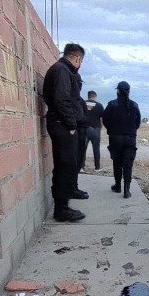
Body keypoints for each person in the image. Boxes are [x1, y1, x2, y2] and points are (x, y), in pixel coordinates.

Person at [41, 43, 89, 222]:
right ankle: (61, 209)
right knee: (65, 165)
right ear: (77, 58)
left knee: (68, 164)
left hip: (62, 123)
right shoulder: (62, 70)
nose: (80, 64)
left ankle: (67, 197)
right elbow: (61, 99)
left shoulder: (65, 70)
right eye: (81, 61)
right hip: (62, 125)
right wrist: (70, 124)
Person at [101, 81, 141, 198]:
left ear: (118, 91)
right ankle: (127, 190)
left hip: (115, 138)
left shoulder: (112, 104)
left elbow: (105, 120)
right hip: (130, 139)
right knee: (128, 164)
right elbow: (137, 122)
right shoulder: (134, 105)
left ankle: (118, 186)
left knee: (117, 163)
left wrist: (113, 130)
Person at [80, 90, 104, 171]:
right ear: (95, 96)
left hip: (84, 128)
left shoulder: (82, 103)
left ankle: (81, 167)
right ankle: (97, 167)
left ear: (88, 96)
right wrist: (100, 127)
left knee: (83, 148)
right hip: (95, 129)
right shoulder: (99, 105)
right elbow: (101, 118)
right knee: (96, 148)